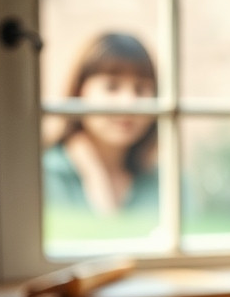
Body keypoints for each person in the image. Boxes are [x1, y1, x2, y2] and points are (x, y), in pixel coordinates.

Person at [43, 32, 159, 217]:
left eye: (140, 89)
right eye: (112, 87)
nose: (128, 103)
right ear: (79, 92)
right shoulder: (45, 176)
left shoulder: (166, 183)